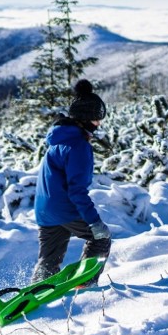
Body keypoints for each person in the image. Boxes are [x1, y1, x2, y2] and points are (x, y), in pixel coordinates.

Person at [31, 79, 111, 286]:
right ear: (85, 119)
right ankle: (85, 284)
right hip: (64, 208)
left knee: (49, 259)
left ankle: (38, 288)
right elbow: (77, 191)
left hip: (43, 210)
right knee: (101, 238)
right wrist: (94, 222)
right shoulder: (78, 146)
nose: (98, 124)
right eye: (96, 119)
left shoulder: (57, 140)